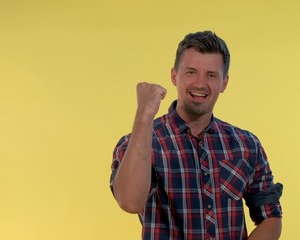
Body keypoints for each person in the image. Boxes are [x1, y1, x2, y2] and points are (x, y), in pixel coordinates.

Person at [110, 30, 283, 240]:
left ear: (224, 83)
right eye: (191, 72)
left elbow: (270, 216)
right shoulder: (141, 142)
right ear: (174, 76)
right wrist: (144, 115)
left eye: (211, 75)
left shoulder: (246, 145)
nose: (200, 83)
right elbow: (130, 202)